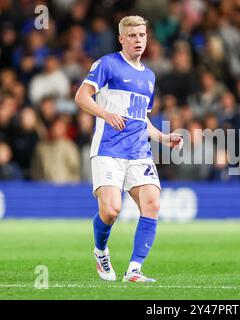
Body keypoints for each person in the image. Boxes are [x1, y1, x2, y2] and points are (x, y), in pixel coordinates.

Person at [74, 15, 183, 283]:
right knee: (111, 211)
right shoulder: (107, 64)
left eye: (142, 35)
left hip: (139, 153)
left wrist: (162, 137)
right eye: (132, 36)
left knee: (152, 204)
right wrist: (105, 114)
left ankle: (134, 269)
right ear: (121, 39)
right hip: (109, 150)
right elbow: (81, 96)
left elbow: (140, 118)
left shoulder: (149, 76)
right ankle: (100, 251)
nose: (138, 40)